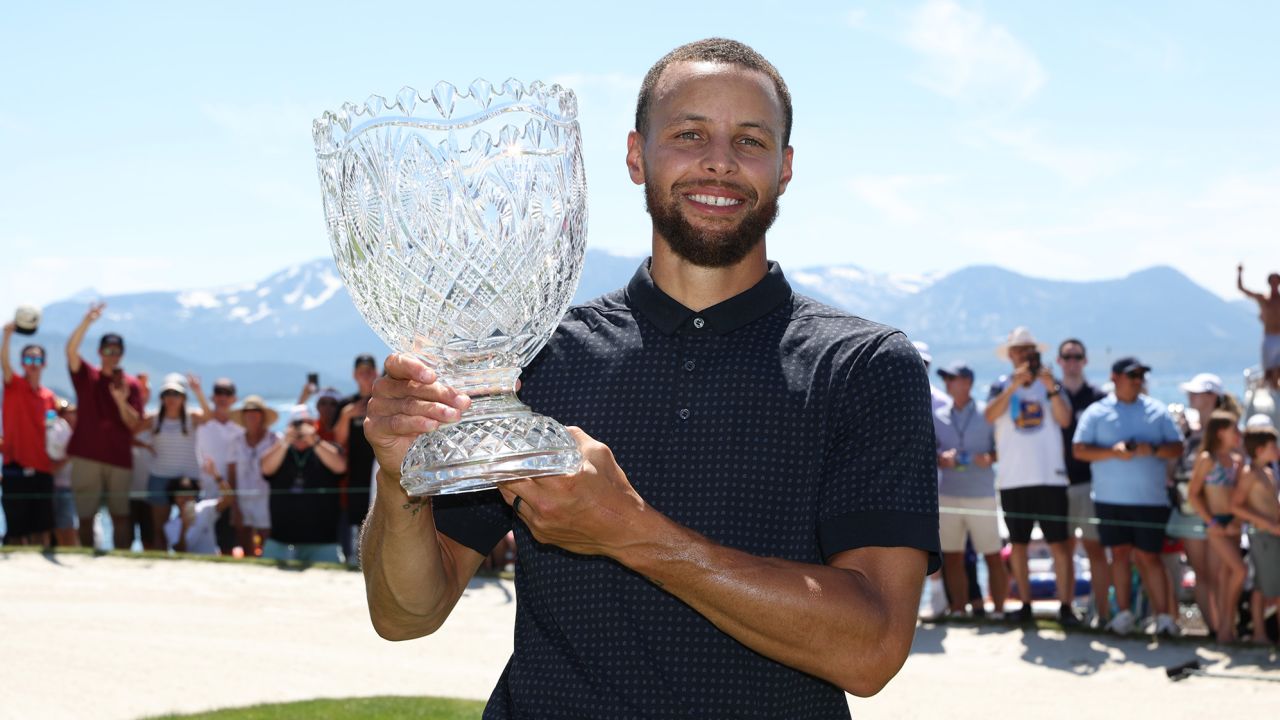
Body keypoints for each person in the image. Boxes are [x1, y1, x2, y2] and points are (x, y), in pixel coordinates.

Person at [360, 38, 939, 717]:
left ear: (785, 168)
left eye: (750, 141)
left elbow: (871, 649)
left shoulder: (863, 367)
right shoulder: (537, 357)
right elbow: (405, 616)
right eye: (689, 134)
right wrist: (401, 479)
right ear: (637, 155)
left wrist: (629, 530)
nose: (720, 161)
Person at [1072, 357, 1184, 636]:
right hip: (1110, 499)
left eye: (1141, 376)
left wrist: (1153, 450)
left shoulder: (1157, 410)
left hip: (1149, 500)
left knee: (1149, 557)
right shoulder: (1097, 412)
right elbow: (1079, 450)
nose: (1137, 380)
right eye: (1132, 375)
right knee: (1119, 556)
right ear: (1115, 377)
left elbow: (1177, 447)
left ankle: (1165, 619)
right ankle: (1123, 615)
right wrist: (1113, 452)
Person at [984, 326, 1076, 625]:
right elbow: (988, 416)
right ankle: (1025, 605)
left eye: (1029, 350)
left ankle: (1065, 607)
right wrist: (1013, 386)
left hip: (1050, 477)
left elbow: (1064, 420)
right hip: (1013, 478)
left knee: (1059, 545)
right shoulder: (1001, 386)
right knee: (1019, 546)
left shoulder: (1050, 384)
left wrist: (1050, 387)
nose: (1024, 355)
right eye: (1019, 350)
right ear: (1010, 355)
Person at [65, 302, 144, 550]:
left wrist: (121, 401)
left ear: (121, 354)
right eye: (108, 349)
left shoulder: (131, 384)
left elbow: (134, 423)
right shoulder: (88, 375)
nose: (112, 354)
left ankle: (120, 560)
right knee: (86, 517)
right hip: (87, 455)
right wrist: (87, 321)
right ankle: (88, 558)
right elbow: (71, 351)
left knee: (121, 516)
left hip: (119, 458)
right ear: (100, 352)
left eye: (116, 350)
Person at [933, 362, 1006, 618]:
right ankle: (958, 610)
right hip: (949, 493)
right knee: (952, 556)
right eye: (946, 379)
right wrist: (942, 458)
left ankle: (998, 611)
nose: (947, 383)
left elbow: (1002, 448)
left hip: (982, 493)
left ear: (967, 383)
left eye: (952, 378)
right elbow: (931, 451)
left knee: (992, 555)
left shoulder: (987, 414)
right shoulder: (938, 416)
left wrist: (989, 457)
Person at [1167, 372, 1229, 632]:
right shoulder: (1186, 432)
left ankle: (1227, 628)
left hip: (1217, 512)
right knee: (1202, 574)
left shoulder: (1225, 431)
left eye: (1197, 392)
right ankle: (1215, 629)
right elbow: (1172, 470)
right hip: (1191, 510)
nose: (1191, 396)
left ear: (1212, 397)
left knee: (1220, 574)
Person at [1055, 338, 1111, 625]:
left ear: (1085, 361)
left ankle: (1102, 613)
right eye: (1067, 356)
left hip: (1091, 483)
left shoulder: (1099, 397)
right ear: (1059, 361)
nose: (1073, 361)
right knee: (1063, 550)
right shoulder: (1051, 394)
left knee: (1095, 551)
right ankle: (1066, 609)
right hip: (1057, 483)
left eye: (1077, 356)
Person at [260, 405, 347, 564]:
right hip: (281, 539)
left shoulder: (327, 448)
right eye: (297, 424)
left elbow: (340, 466)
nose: (301, 430)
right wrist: (286, 440)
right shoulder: (280, 450)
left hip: (323, 540)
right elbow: (266, 468)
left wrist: (314, 440)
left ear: (314, 425)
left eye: (307, 423)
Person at [1187, 410, 1245, 643]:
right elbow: (1193, 494)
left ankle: (1227, 627)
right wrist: (1210, 521)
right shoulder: (1207, 459)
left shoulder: (1236, 461)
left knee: (1227, 576)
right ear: (1221, 432)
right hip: (1215, 526)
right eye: (1234, 430)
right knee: (1229, 574)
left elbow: (1239, 498)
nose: (1238, 434)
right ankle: (1223, 628)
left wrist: (1236, 522)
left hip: (1232, 525)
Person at [1, 322, 57, 546]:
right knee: (16, 529)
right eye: (28, 359)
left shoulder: (49, 397)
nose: (33, 364)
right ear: (22, 363)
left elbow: (52, 432)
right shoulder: (14, 385)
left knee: (43, 527)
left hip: (43, 467)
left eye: (37, 360)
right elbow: (4, 363)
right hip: (15, 466)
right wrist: (7, 337)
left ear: (44, 364)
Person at [141, 374, 212, 550]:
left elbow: (209, 417)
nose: (172, 398)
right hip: (160, 476)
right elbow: (129, 429)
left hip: (189, 479)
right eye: (168, 393)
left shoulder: (192, 417)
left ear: (184, 397)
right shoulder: (153, 419)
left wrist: (198, 392)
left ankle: (188, 563)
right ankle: (162, 565)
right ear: (162, 397)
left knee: (192, 524)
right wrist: (144, 445)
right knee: (159, 528)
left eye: (177, 393)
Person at [1232, 425, 1280, 644]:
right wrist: (1268, 524)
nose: (1276, 450)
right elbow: (1237, 505)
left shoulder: (1268, 472)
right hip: (1262, 536)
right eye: (1272, 446)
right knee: (1262, 586)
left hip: (1272, 535)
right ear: (1260, 449)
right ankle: (1259, 634)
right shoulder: (1249, 474)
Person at [335, 355, 378, 563]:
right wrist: (346, 416)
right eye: (361, 371)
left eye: (369, 370)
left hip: (380, 467)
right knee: (356, 517)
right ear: (354, 375)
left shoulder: (382, 401)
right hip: (355, 473)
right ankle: (354, 556)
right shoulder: (346, 405)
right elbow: (338, 439)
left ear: (376, 373)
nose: (366, 375)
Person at [195, 378, 244, 554]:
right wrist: (197, 391)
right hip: (204, 496)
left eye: (227, 393)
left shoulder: (240, 430)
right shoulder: (201, 424)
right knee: (201, 548)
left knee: (228, 547)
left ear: (234, 399)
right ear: (212, 397)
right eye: (219, 392)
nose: (223, 397)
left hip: (232, 496)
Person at [229, 395, 280, 556]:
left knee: (267, 540)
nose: (251, 414)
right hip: (243, 500)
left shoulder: (275, 439)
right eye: (247, 411)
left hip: (267, 499)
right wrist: (234, 506)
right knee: (245, 541)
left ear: (262, 415)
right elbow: (231, 476)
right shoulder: (235, 441)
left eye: (256, 410)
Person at [162, 473, 233, 555]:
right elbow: (180, 551)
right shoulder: (170, 526)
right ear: (173, 498)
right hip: (190, 566)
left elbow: (228, 499)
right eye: (180, 494)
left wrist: (216, 475)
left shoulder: (205, 508)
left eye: (189, 492)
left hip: (212, 563)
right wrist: (184, 527)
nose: (185, 497)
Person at [1237, 263, 1280, 380]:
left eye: (1277, 281)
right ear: (1269, 283)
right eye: (1273, 281)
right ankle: (1273, 392)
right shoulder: (1263, 299)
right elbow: (1242, 289)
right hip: (1269, 337)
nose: (1275, 284)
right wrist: (1240, 273)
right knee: (1268, 372)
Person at [48, 398, 79, 548]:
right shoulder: (55, 435)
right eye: (64, 412)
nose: (69, 416)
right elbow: (52, 467)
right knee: (64, 529)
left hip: (76, 489)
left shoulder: (78, 435)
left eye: (73, 412)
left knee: (70, 528)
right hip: (60, 488)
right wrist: (70, 456)